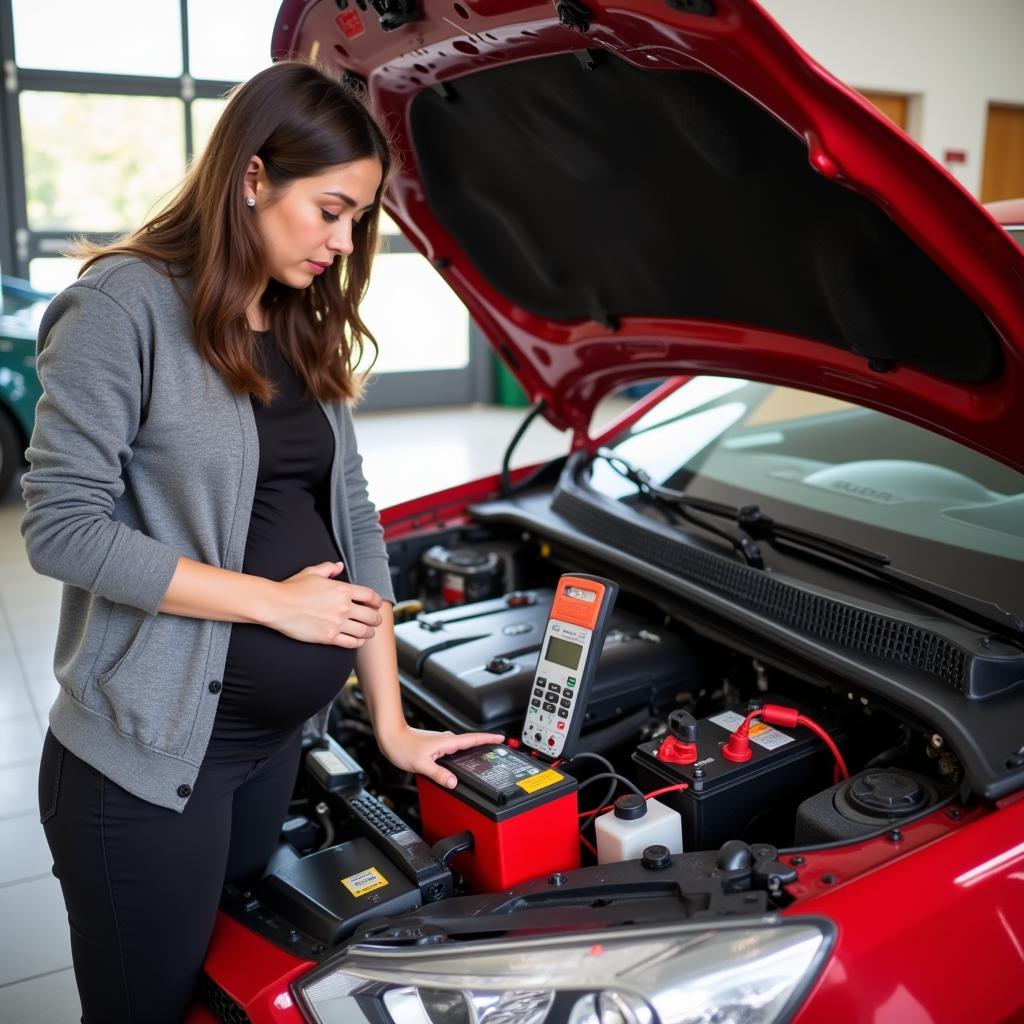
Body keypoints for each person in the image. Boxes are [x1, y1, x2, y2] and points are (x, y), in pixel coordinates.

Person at [21, 60, 501, 1023]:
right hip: (146, 767)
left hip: (271, 750)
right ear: (251, 178)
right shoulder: (122, 308)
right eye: (330, 209)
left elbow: (352, 516)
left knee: (223, 986)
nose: (343, 240)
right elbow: (61, 529)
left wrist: (393, 722)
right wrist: (275, 603)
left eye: (359, 219)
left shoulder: (294, 316)